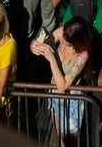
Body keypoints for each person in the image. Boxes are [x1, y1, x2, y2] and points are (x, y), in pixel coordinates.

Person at [31, 17, 92, 147]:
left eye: (67, 41)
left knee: (70, 142)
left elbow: (62, 85)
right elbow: (41, 44)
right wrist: (35, 46)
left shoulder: (82, 55)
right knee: (60, 135)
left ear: (76, 42)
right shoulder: (65, 32)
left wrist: (51, 58)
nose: (62, 39)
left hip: (72, 101)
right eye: (63, 35)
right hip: (54, 97)